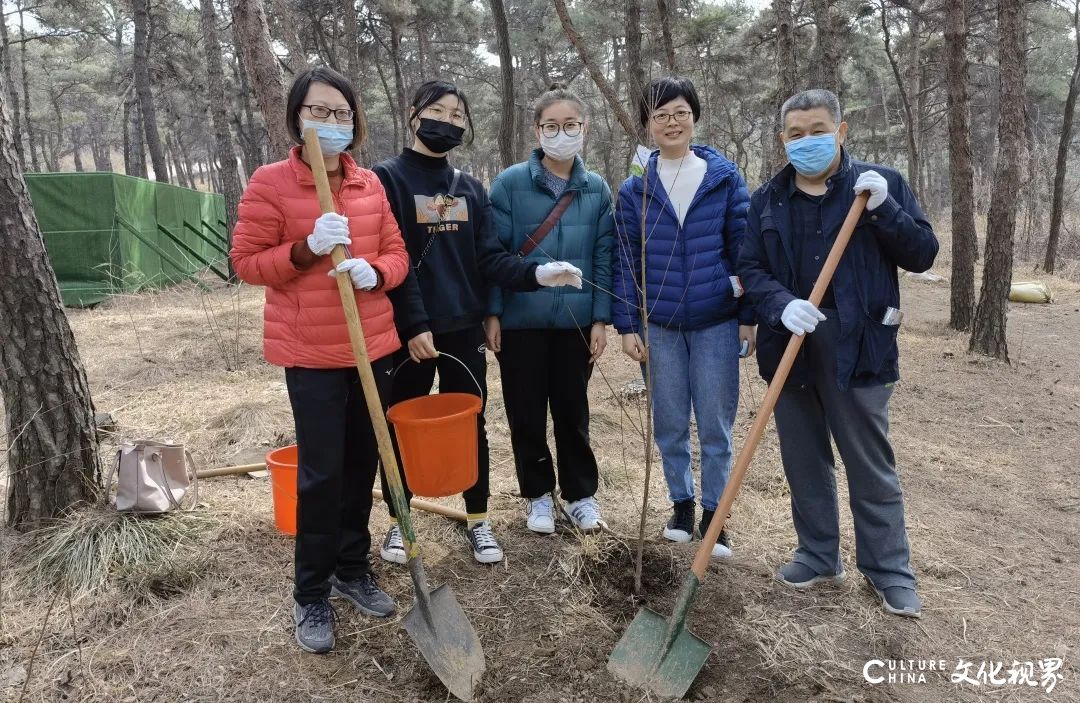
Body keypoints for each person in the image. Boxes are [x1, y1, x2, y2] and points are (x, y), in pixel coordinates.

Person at [737, 89, 939, 618]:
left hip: (860, 346)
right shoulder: (767, 199)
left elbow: (922, 253)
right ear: (783, 139)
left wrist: (886, 211)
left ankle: (889, 571)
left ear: (842, 131)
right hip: (790, 345)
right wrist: (780, 305)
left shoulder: (879, 185)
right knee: (804, 460)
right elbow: (751, 269)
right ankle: (818, 555)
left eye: (819, 130)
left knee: (869, 465)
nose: (808, 141)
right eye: (796, 134)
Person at [230, 66, 407, 653]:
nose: (330, 123)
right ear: (296, 117)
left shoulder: (370, 186)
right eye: (318, 111)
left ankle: (352, 568)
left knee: (363, 463)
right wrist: (305, 249)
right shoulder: (271, 183)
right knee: (323, 471)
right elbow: (247, 262)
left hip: (372, 346)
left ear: (354, 122)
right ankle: (310, 592)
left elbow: (397, 255)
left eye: (340, 113)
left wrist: (373, 270)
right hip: (312, 352)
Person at [372, 80, 583, 565]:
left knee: (472, 422)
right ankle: (399, 525)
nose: (448, 122)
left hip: (462, 327)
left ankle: (478, 520)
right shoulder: (386, 180)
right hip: (406, 331)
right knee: (397, 423)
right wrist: (414, 323)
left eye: (458, 116)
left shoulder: (467, 188)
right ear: (413, 113)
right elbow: (392, 256)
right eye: (438, 112)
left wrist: (537, 274)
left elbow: (489, 260)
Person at [612, 76, 755, 558]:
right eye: (660, 115)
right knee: (670, 421)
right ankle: (681, 504)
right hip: (661, 323)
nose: (671, 123)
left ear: (694, 117)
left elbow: (744, 249)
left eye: (680, 112)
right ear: (647, 124)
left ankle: (715, 516)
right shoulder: (635, 189)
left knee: (715, 422)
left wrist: (747, 315)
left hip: (716, 320)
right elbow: (626, 259)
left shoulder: (724, 177)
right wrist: (629, 325)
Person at [485, 83, 614, 535]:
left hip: (575, 323)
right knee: (526, 412)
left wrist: (600, 318)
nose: (562, 134)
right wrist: (493, 312)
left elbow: (604, 256)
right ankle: (538, 494)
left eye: (571, 125)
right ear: (537, 131)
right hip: (521, 322)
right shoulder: (509, 184)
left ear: (585, 129)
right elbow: (494, 254)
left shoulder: (596, 188)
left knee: (573, 412)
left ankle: (580, 495)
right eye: (552, 126)